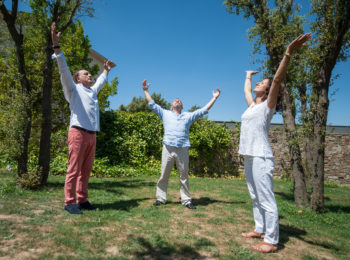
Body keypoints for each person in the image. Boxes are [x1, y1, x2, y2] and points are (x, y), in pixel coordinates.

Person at [238, 33, 311, 253]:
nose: (258, 83)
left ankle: (271, 240)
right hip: (249, 155)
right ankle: (260, 228)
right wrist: (249, 76)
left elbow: (277, 80)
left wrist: (288, 53)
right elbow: (246, 90)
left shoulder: (267, 106)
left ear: (269, 91)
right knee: (254, 195)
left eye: (262, 82)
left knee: (266, 197)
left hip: (261, 156)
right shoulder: (252, 106)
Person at [51, 22, 116, 214]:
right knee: (73, 169)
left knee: (86, 171)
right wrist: (56, 47)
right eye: (86, 74)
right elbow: (63, 70)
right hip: (78, 133)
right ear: (78, 78)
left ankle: (82, 200)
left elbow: (100, 82)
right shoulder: (72, 90)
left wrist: (106, 70)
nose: (90, 75)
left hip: (91, 136)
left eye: (89, 74)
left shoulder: (92, 92)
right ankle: (69, 202)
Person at [142, 79, 220, 209]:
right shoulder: (165, 113)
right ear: (172, 106)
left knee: (183, 176)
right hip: (168, 147)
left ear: (182, 107)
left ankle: (186, 201)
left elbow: (203, 110)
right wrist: (145, 91)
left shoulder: (188, 116)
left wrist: (214, 98)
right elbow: (152, 104)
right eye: (175, 101)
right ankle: (160, 199)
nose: (177, 101)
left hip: (183, 149)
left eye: (179, 101)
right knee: (163, 175)